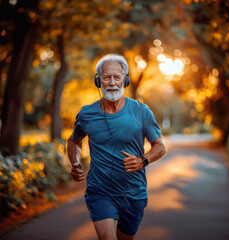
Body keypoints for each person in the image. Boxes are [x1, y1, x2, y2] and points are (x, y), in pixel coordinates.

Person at [67, 54, 167, 240]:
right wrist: (75, 163)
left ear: (125, 80)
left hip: (133, 193)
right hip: (100, 190)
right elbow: (74, 140)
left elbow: (160, 145)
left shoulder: (141, 111)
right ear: (99, 81)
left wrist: (143, 160)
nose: (112, 82)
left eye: (116, 77)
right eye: (106, 77)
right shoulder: (87, 114)